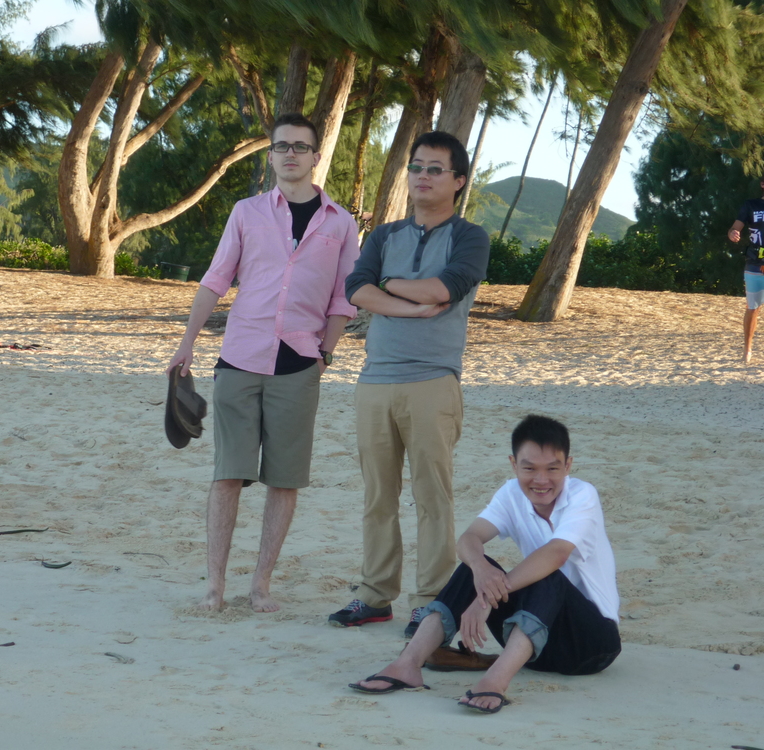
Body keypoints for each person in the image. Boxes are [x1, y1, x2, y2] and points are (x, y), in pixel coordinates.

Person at [166, 113, 360, 613]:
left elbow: (344, 298)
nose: (290, 154)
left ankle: (261, 587)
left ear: (317, 156)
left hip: (300, 364)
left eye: (301, 146)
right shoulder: (246, 212)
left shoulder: (340, 222)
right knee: (227, 474)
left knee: (284, 478)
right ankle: (215, 586)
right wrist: (187, 343)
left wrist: (325, 355)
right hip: (239, 356)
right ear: (271, 155)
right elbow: (215, 279)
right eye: (281, 147)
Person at [348, 415, 621, 714]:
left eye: (552, 469)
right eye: (529, 468)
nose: (541, 480)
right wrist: (481, 571)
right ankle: (408, 664)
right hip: (533, 650)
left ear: (567, 466)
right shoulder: (511, 493)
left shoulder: (582, 495)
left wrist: (487, 598)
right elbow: (469, 538)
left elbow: (556, 553)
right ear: (513, 464)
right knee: (474, 566)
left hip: (592, 644)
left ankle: (495, 680)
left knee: (547, 575)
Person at [329, 131, 489, 636]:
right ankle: (375, 596)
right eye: (416, 166)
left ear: (458, 181)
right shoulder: (383, 236)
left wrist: (390, 286)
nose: (422, 175)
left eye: (435, 169)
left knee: (431, 495)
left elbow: (445, 288)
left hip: (433, 383)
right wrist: (409, 304)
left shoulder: (469, 237)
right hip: (375, 381)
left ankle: (432, 600)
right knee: (378, 495)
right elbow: (356, 289)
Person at [727, 180, 764, 363]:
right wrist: (733, 233)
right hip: (755, 263)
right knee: (753, 307)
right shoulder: (751, 205)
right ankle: (747, 350)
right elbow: (735, 228)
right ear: (763, 184)